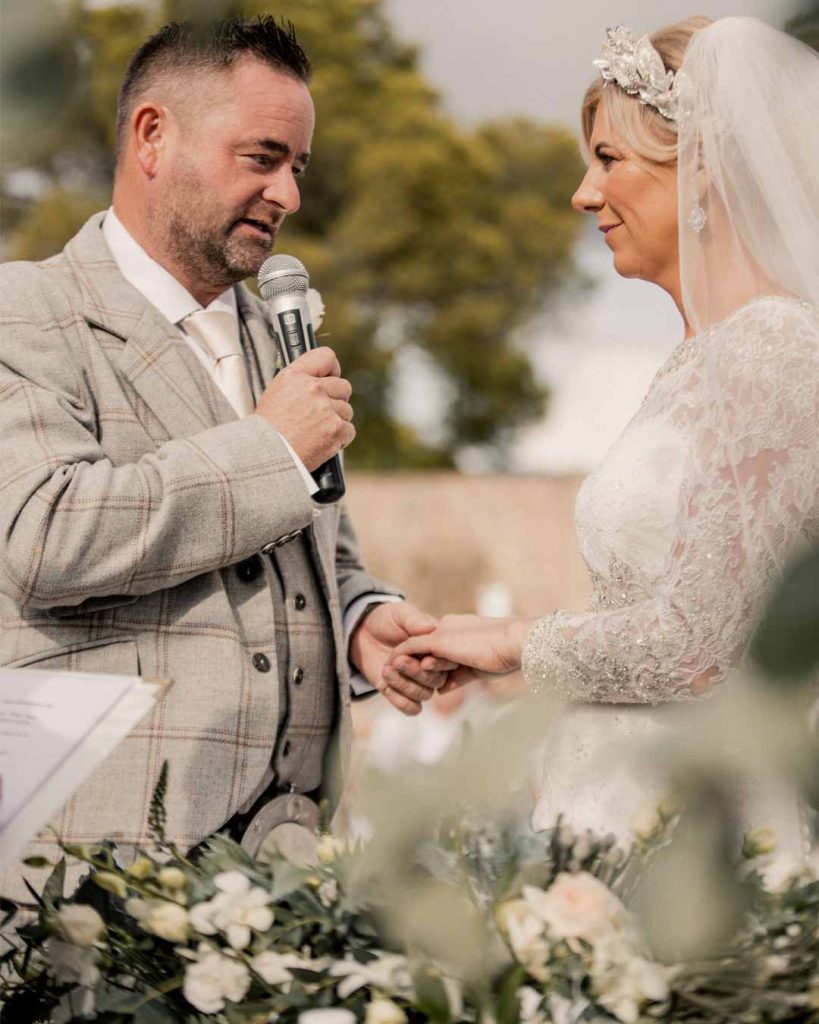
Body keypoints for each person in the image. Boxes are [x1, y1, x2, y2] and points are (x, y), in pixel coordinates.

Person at [0, 16, 450, 902]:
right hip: (94, 883)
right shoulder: (25, 310)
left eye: (299, 169)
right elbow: (42, 533)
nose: (287, 194)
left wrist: (359, 618)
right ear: (153, 136)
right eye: (262, 157)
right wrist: (271, 446)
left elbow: (319, 542)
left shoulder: (277, 335)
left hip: (289, 878)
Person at [386, 16, 819, 849]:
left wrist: (510, 641)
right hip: (616, 807)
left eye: (608, 160)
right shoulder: (696, 362)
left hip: (695, 829)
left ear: (697, 173)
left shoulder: (773, 349)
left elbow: (696, 647)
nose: (582, 194)